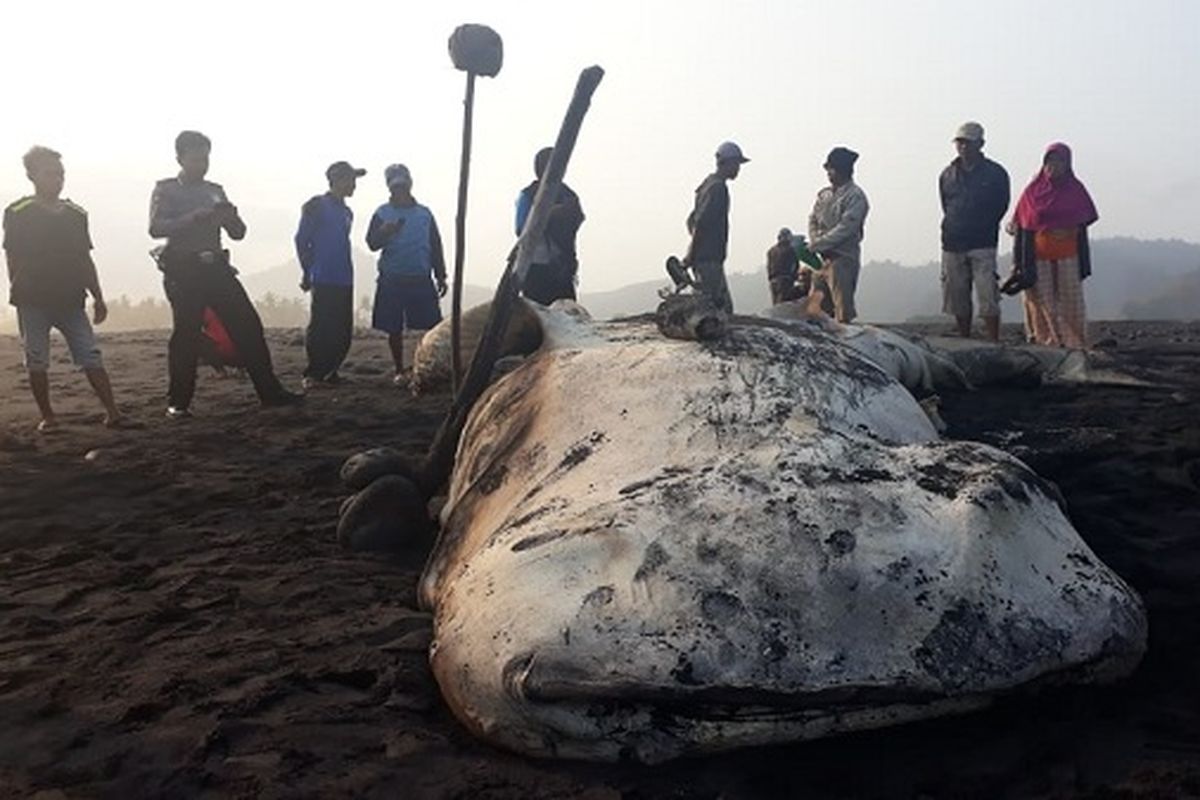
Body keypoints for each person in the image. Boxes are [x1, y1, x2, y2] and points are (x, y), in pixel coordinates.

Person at [149, 130, 302, 417]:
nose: (201, 164)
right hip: (184, 269)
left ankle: (270, 392)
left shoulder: (215, 189)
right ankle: (178, 403)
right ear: (180, 158)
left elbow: (239, 233)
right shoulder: (166, 189)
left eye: (205, 158)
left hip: (216, 266)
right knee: (187, 333)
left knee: (248, 325)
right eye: (195, 159)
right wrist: (194, 217)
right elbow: (156, 227)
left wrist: (231, 218)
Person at [3, 146, 123, 431]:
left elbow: (84, 258)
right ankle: (48, 416)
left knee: (90, 353)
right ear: (32, 176)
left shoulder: (75, 213)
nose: (57, 180)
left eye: (61, 174)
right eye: (50, 174)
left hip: (70, 298)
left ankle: (113, 411)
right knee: (36, 358)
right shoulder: (18, 212)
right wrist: (17, 289)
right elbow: (12, 256)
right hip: (33, 298)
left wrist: (98, 296)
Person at [1010, 142, 1098, 348]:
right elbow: (1021, 224)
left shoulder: (1076, 189)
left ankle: (1075, 343)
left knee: (1071, 303)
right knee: (1043, 302)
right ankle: (1046, 342)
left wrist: (1070, 229)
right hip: (1039, 255)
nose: (1053, 166)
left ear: (1067, 164)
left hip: (1068, 254)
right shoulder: (1032, 190)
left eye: (1058, 161)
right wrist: (1018, 261)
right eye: (1049, 161)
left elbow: (1086, 217)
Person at [366, 164, 448, 383]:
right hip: (392, 276)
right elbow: (372, 243)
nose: (399, 190)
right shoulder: (382, 213)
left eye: (403, 185)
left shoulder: (424, 214)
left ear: (409, 184)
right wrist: (384, 232)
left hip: (420, 276)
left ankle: (427, 364)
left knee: (430, 326)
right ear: (389, 188)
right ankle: (399, 369)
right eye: (395, 187)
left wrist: (441, 274)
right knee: (394, 327)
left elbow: (435, 245)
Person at [295, 160, 365, 388]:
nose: (354, 185)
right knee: (321, 325)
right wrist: (307, 270)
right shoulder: (316, 205)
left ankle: (332, 370)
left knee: (342, 327)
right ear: (338, 180)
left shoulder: (347, 211)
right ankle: (313, 373)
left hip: (344, 275)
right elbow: (301, 239)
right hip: (323, 275)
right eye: (351, 180)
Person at [939, 122, 1010, 341]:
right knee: (957, 295)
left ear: (980, 144)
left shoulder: (996, 173)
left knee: (987, 294)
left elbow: (1002, 204)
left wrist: (984, 224)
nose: (963, 147)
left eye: (968, 143)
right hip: (953, 242)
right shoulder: (947, 174)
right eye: (960, 142)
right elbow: (945, 204)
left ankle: (993, 339)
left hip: (983, 242)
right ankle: (964, 337)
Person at [515, 146, 585, 305]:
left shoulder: (567, 193)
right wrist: (552, 213)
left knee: (566, 313)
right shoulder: (528, 194)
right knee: (539, 316)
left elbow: (578, 217)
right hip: (536, 267)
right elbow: (522, 229)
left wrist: (570, 214)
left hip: (562, 265)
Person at [685, 141, 749, 313]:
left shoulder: (707, 186)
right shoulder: (717, 188)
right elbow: (701, 223)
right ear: (725, 163)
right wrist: (692, 253)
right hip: (708, 260)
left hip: (706, 258)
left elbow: (691, 221)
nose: (738, 169)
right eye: (736, 164)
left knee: (711, 306)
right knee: (717, 310)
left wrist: (693, 252)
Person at [808, 147, 869, 323]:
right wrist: (815, 241)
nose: (828, 173)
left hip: (843, 258)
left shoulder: (855, 197)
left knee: (843, 310)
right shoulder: (824, 195)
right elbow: (813, 218)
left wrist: (820, 243)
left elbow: (845, 229)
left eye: (831, 169)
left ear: (841, 170)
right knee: (815, 309)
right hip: (822, 260)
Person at [766, 227, 809, 304]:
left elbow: (769, 268)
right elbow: (795, 266)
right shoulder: (790, 250)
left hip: (773, 282)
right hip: (785, 281)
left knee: (776, 304)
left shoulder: (771, 251)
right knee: (783, 304)